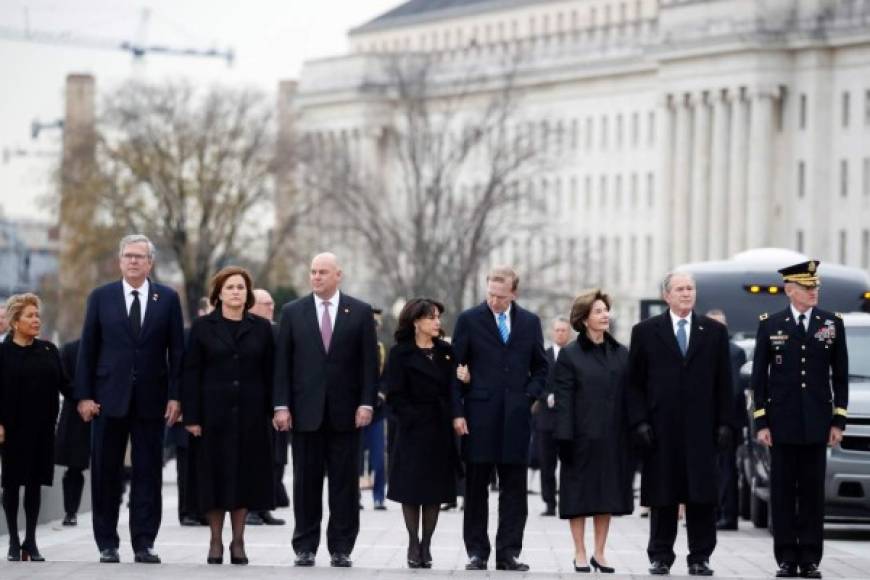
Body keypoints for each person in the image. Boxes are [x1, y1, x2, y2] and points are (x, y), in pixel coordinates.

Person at [74, 234, 185, 564]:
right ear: (120, 261)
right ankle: (107, 542)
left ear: (150, 262)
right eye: (128, 256)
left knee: (148, 473)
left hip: (152, 400)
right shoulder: (101, 297)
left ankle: (144, 542)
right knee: (106, 472)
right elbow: (88, 350)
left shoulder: (166, 298)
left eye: (140, 256)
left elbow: (177, 352)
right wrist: (83, 396)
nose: (133, 261)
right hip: (107, 399)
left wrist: (176, 396)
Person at [272, 252, 379, 568]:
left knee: (345, 485)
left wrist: (366, 402)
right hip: (305, 414)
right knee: (306, 483)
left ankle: (341, 548)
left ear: (338, 275)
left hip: (347, 414)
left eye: (322, 272)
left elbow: (369, 365)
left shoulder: (359, 312)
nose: (316, 277)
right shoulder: (293, 312)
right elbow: (283, 365)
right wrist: (281, 406)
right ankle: (305, 546)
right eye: (313, 272)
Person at [627, 271, 733, 576]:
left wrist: (726, 423)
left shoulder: (713, 331)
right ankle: (660, 555)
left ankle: (700, 556)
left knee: (701, 495)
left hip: (702, 428)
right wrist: (639, 422)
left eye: (691, 289)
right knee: (663, 495)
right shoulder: (645, 331)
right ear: (667, 295)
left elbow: (724, 381)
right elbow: (634, 384)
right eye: (680, 289)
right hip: (660, 428)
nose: (687, 293)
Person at [751, 260, 848, 579]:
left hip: (817, 423)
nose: (814, 292)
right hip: (781, 424)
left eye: (816, 287)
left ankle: (809, 558)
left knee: (811, 493)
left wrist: (838, 421)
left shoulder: (831, 323)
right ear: (790, 290)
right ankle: (786, 558)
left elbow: (841, 376)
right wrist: (762, 423)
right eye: (808, 288)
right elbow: (759, 379)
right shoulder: (770, 324)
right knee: (782, 492)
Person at [451, 265, 549, 572]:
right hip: (479, 417)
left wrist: (528, 397)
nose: (494, 300)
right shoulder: (469, 320)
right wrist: (457, 412)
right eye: (490, 294)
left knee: (515, 490)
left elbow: (541, 368)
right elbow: (454, 370)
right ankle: (477, 552)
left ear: (514, 294)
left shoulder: (530, 323)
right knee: (477, 487)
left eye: (501, 296)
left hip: (516, 419)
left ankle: (508, 553)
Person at [182, 267, 276, 565]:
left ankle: (238, 541)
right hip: (212, 416)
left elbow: (271, 373)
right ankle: (214, 540)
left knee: (244, 478)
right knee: (214, 477)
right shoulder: (202, 327)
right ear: (218, 293)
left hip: (251, 416)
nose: (236, 292)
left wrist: (275, 409)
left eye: (241, 287)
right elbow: (191, 373)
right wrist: (192, 417)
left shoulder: (262, 328)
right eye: (230, 287)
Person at [553, 290, 633, 573]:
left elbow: (630, 396)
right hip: (580, 437)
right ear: (584, 318)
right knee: (578, 497)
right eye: (598, 311)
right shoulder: (570, 355)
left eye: (606, 310)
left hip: (613, 437)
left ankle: (600, 552)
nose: (604, 315)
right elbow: (563, 399)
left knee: (606, 496)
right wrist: (563, 437)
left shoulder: (621, 353)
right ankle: (580, 552)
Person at [385, 298, 466, 568]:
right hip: (411, 430)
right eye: (432, 317)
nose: (437, 322)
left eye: (438, 317)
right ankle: (412, 542)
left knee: (434, 491)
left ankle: (426, 544)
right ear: (416, 321)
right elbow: (394, 395)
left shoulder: (446, 351)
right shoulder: (400, 353)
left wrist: (457, 414)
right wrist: (412, 418)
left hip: (440, 429)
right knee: (411, 490)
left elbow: (454, 388)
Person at [0, 293, 71, 561]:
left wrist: (88, 399)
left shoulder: (48, 350)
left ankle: (30, 541)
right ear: (15, 322)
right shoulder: (3, 353)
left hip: (42, 430)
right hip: (12, 431)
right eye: (30, 316)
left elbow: (66, 384)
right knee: (11, 484)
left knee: (34, 485)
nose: (36, 320)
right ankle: (13, 541)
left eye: (37, 315)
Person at [246, 288, 287, 527]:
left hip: (278, 404)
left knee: (277, 459)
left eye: (272, 303)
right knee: (255, 459)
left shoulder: (279, 329)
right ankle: (251, 507)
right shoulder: (248, 329)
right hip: (255, 405)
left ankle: (265, 507)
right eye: (264, 303)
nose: (270, 307)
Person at [705, 309, 747, 531]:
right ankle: (713, 512)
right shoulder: (703, 350)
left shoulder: (734, 352)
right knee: (711, 470)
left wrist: (725, 422)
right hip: (706, 422)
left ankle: (728, 515)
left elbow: (734, 389)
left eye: (721, 325)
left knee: (727, 470)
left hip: (727, 423)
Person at [54, 338, 91, 527]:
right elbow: (63, 381)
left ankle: (108, 509)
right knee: (74, 468)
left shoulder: (113, 346)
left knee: (110, 468)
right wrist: (82, 398)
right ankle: (71, 511)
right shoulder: (69, 349)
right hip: (75, 414)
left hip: (108, 410)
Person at [536, 317, 571, 517]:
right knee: (546, 464)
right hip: (546, 420)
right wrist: (546, 396)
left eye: (564, 330)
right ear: (552, 332)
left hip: (567, 419)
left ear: (569, 333)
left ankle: (567, 502)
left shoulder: (575, 355)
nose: (560, 333)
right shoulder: (543, 356)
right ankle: (549, 503)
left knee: (568, 465)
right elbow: (535, 381)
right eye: (557, 330)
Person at [361, 307, 388, 511]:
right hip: (356, 411)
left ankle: (379, 496)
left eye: (376, 325)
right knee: (355, 457)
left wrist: (381, 393)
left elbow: (387, 376)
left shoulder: (381, 348)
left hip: (377, 412)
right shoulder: (354, 348)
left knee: (379, 458)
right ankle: (355, 497)